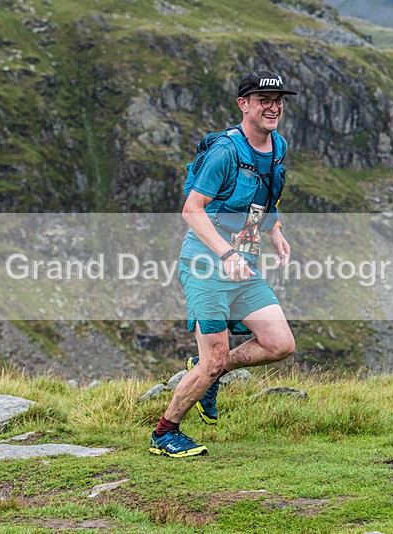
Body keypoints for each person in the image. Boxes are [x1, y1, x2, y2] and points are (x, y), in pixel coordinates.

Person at [149, 69, 297, 457]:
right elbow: (192, 209)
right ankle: (165, 433)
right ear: (243, 104)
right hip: (207, 264)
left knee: (280, 344)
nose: (273, 107)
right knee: (212, 359)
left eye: (278, 100)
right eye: (264, 100)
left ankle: (211, 372)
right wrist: (225, 254)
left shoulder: (276, 145)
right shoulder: (225, 152)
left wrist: (275, 229)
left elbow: (266, 199)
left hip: (244, 266)